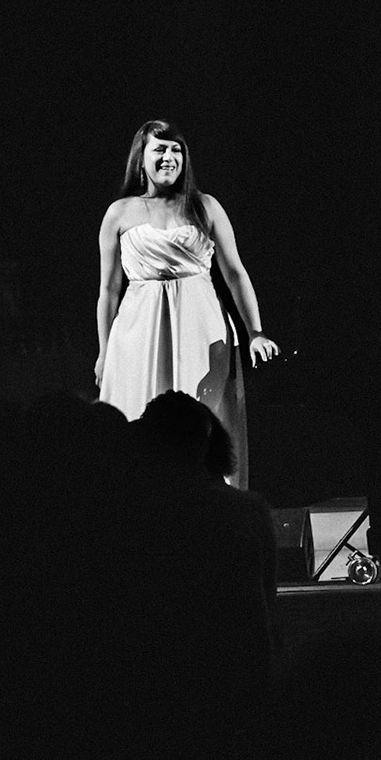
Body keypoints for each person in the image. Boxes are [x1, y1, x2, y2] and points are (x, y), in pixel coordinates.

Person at [96, 119, 277, 487]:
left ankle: (210, 507)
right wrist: (103, 352)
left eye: (176, 149)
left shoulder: (204, 206)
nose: (169, 156)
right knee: (140, 413)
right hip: (139, 329)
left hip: (199, 324)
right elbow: (108, 290)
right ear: (141, 158)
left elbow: (235, 272)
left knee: (202, 417)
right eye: (159, 149)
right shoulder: (120, 212)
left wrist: (255, 331)